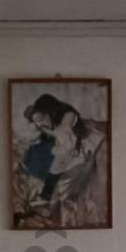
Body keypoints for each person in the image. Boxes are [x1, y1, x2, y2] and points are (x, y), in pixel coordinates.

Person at [18, 93, 108, 227]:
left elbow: (65, 135)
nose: (40, 124)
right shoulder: (49, 122)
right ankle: (46, 199)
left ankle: (54, 202)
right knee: (49, 163)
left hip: (81, 144)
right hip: (66, 147)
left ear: (49, 110)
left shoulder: (67, 115)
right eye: (36, 121)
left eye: (41, 118)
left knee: (62, 170)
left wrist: (47, 132)